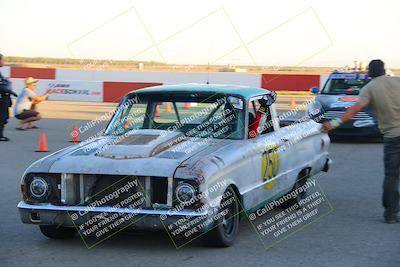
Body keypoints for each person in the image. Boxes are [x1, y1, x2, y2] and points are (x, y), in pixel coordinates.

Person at [322, 59, 400, 224]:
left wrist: (332, 124)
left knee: (392, 176)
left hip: (392, 137)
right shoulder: (397, 81)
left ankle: (391, 215)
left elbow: (352, 111)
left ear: (370, 73)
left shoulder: (370, 88)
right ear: (384, 70)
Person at [0, 53, 18, 141]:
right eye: (2, 59)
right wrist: (6, 83)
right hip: (1, 98)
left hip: (4, 97)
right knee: (2, 117)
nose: (3, 61)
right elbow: (2, 86)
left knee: (4, 117)